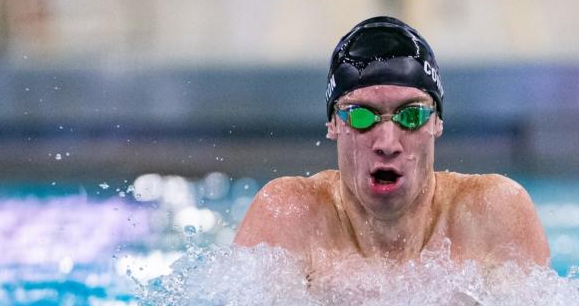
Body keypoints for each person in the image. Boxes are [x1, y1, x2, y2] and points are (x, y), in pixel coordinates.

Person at [234, 16, 549, 273]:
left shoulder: (494, 216)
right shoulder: (287, 217)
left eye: (411, 115)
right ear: (333, 124)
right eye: (360, 117)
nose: (387, 143)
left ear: (437, 122)